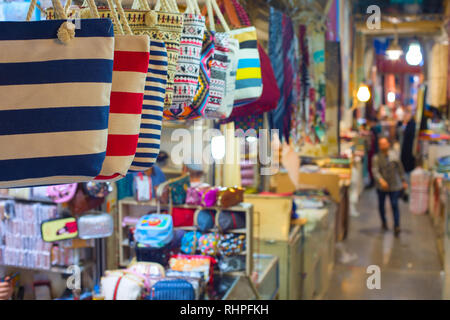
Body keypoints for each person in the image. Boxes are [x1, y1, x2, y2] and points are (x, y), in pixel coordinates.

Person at [372, 137, 408, 237]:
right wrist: (381, 180)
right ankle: (384, 222)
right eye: (381, 144)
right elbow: (375, 171)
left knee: (394, 204)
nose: (383, 146)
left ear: (388, 144)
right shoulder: (376, 158)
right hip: (381, 187)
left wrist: (403, 180)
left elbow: (400, 169)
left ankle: (397, 226)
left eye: (384, 144)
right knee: (381, 205)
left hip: (394, 185)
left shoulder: (394, 156)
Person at [400, 107, 417, 175]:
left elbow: (408, 134)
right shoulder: (407, 123)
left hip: (409, 148)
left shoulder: (412, 124)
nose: (405, 116)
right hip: (405, 147)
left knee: (408, 166)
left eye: (406, 114)